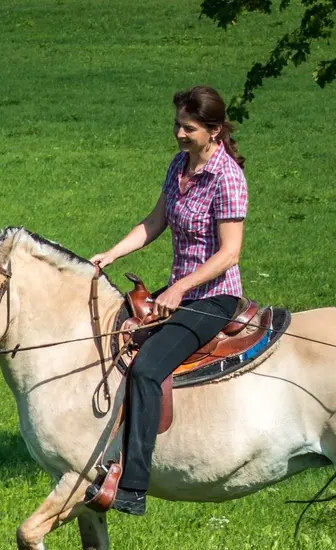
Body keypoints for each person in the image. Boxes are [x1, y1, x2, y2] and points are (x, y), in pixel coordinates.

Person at [86, 85, 250, 516]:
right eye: (177, 125)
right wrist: (111, 253)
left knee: (147, 368)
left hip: (212, 298)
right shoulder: (179, 164)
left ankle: (134, 486)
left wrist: (178, 289)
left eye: (188, 128)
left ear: (214, 131)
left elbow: (229, 253)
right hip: (177, 291)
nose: (178, 134)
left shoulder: (228, 177)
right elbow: (156, 220)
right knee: (114, 337)